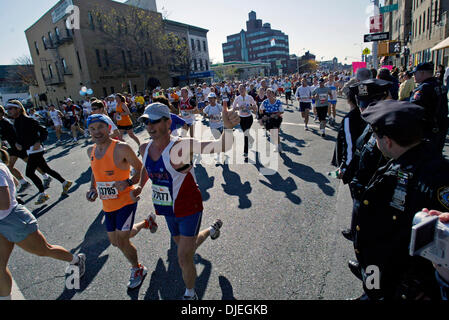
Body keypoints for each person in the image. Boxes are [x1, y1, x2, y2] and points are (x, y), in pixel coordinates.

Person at [132, 102, 240, 300]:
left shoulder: (183, 145)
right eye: (146, 122)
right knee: (185, 247)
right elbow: (146, 168)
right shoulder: (144, 147)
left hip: (189, 207)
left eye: (154, 122)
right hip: (167, 209)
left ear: (167, 122)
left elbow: (222, 145)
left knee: (183, 257)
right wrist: (139, 185)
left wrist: (228, 128)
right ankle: (211, 230)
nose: (149, 127)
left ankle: (190, 294)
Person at [349, 100, 449, 300]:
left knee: (378, 295)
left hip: (401, 279)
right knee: (372, 292)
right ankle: (370, 292)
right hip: (382, 267)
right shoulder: (423, 159)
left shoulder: (427, 177)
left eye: (376, 137)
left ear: (387, 141)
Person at [0, 148, 86, 300]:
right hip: (4, 222)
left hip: (13, 220)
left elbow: (4, 202)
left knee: (44, 250)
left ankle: (76, 260)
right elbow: (13, 181)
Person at [86, 114, 157, 289]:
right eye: (92, 129)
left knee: (122, 240)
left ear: (109, 128)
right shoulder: (91, 151)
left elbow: (142, 170)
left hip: (126, 200)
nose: (97, 132)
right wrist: (92, 189)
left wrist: (128, 183)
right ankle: (146, 223)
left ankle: (138, 268)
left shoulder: (121, 148)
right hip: (108, 205)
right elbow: (95, 172)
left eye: (100, 127)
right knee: (115, 241)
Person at [6, 101, 73, 205]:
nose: (8, 110)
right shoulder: (16, 121)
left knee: (29, 173)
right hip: (30, 149)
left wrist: (38, 141)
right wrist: (19, 144)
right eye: (7, 109)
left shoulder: (28, 120)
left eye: (10, 108)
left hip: (35, 149)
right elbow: (23, 137)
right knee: (46, 169)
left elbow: (43, 131)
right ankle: (65, 182)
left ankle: (43, 194)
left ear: (18, 109)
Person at [410, 62, 448, 154]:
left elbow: (413, 109)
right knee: (436, 155)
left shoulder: (424, 88)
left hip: (428, 129)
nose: (413, 76)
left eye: (415, 73)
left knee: (425, 158)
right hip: (440, 126)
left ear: (422, 73)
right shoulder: (438, 83)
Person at [232, 84, 257, 160]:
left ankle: (245, 152)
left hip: (249, 118)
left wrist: (250, 107)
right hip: (241, 118)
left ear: (245, 89)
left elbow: (255, 106)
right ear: (238, 90)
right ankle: (251, 139)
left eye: (243, 89)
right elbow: (233, 108)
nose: (241, 90)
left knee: (245, 134)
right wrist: (239, 107)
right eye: (240, 89)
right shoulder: (237, 98)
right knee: (246, 133)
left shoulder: (249, 97)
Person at [260, 88, 284, 152]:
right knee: (273, 133)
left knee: (275, 132)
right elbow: (260, 110)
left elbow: (282, 111)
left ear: (273, 94)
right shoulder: (264, 102)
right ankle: (278, 145)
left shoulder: (278, 101)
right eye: (267, 93)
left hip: (277, 118)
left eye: (270, 93)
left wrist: (275, 115)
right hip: (268, 118)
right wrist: (263, 116)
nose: (268, 94)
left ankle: (278, 146)